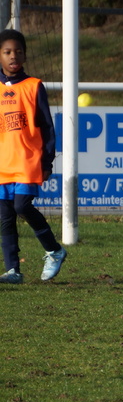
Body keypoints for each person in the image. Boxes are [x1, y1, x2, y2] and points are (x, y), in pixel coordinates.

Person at [0, 29, 67, 284]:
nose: (13, 56)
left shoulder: (34, 86)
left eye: (18, 52)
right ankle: (13, 270)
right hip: (2, 163)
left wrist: (47, 161)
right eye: (7, 52)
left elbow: (47, 127)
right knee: (5, 216)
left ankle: (54, 250)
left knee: (21, 206)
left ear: (25, 56)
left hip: (27, 161)